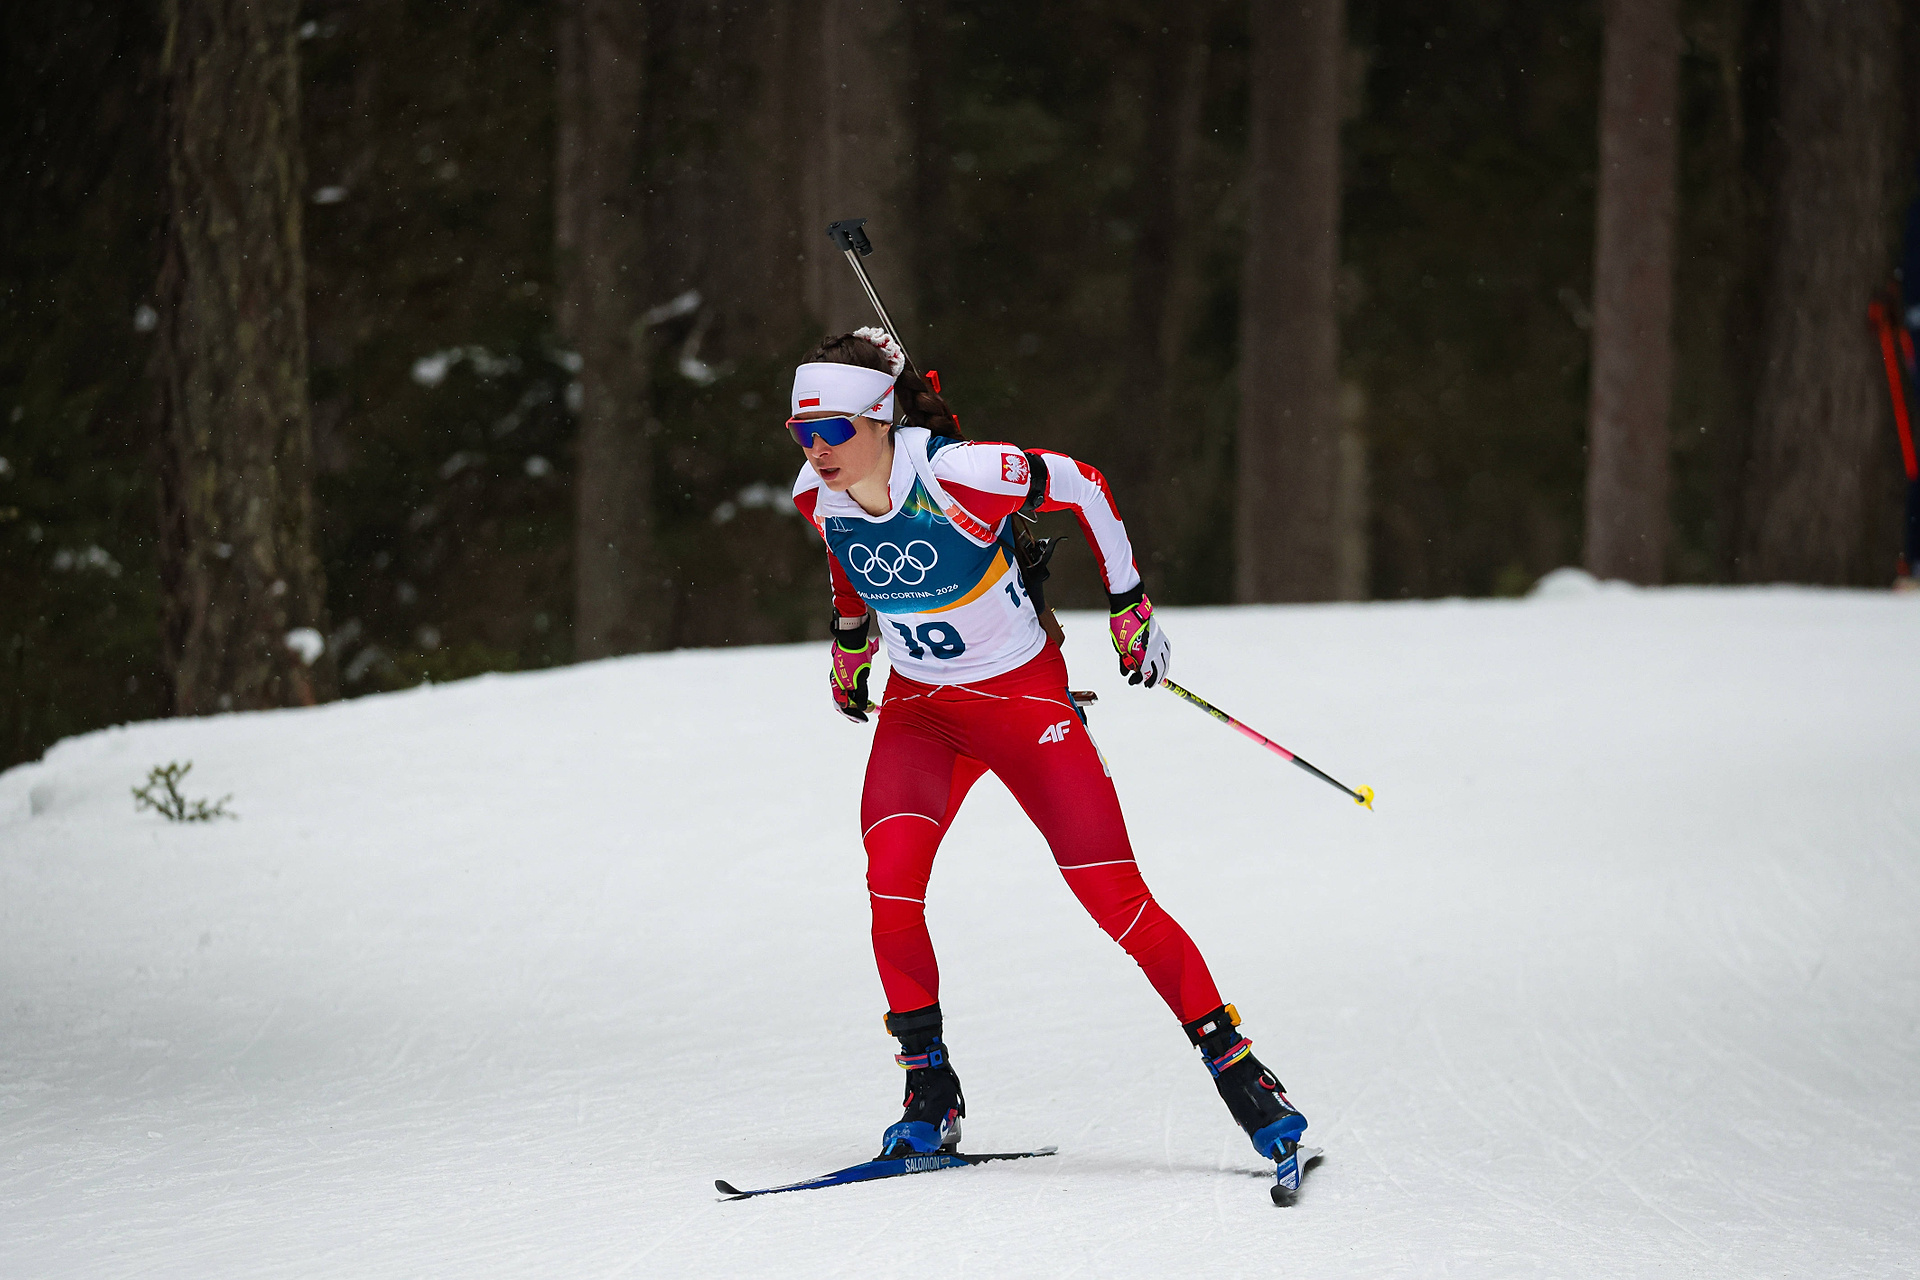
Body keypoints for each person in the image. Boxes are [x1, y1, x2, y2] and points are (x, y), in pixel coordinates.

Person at [785, 327, 1307, 1173]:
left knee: (1116, 901)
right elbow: (850, 564)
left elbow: (1087, 486)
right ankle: (929, 1093)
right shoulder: (817, 493)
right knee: (891, 887)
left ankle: (1246, 1080)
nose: (816, 449)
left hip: (1023, 707)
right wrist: (851, 647)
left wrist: (1130, 602)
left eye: (833, 429)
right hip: (921, 714)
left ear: (881, 417)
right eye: (802, 432)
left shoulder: (961, 473)